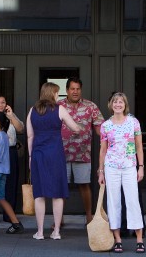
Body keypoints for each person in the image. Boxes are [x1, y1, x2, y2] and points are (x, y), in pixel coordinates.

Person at [26, 82, 81, 240]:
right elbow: (75, 128)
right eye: (57, 93)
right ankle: (56, 231)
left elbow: (30, 136)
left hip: (38, 154)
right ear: (52, 94)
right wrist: (80, 127)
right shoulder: (60, 109)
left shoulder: (32, 111)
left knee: (39, 194)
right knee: (57, 193)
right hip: (55, 154)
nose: (58, 96)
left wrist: (31, 157)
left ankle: (40, 232)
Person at [98, 92, 145, 254]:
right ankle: (117, 239)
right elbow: (103, 150)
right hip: (111, 167)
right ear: (111, 105)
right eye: (115, 102)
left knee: (133, 201)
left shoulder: (133, 122)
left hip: (129, 166)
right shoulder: (106, 125)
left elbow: (139, 146)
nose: (118, 104)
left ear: (125, 105)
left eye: (121, 102)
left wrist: (141, 166)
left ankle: (139, 238)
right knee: (113, 202)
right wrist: (100, 171)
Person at [57, 78, 103, 224]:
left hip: (83, 154)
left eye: (77, 89)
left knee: (84, 185)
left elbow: (100, 129)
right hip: (60, 154)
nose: (75, 92)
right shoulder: (58, 106)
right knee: (61, 186)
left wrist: (113, 140)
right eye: (72, 89)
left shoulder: (90, 106)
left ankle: (89, 217)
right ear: (67, 90)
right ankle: (59, 219)